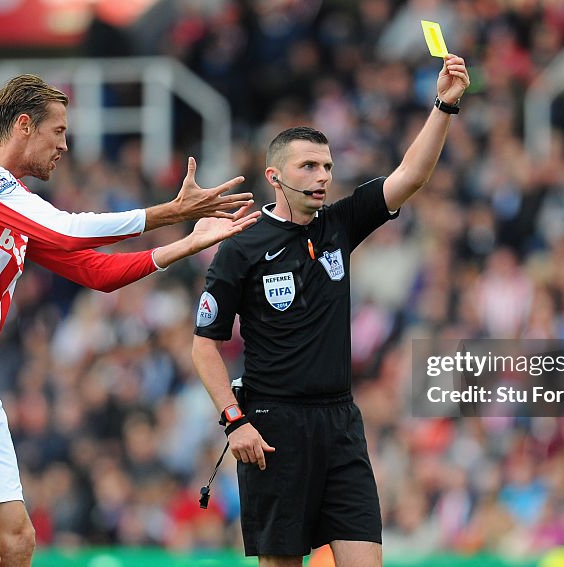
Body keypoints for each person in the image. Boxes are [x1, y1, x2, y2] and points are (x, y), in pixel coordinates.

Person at [0, 74, 258, 567]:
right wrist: (171, 211)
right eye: (57, 131)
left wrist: (186, 243)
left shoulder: (7, 204)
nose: (64, 143)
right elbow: (69, 230)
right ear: (24, 126)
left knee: (17, 546)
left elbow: (95, 272)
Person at [192, 54, 470, 566]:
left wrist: (444, 105)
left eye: (327, 167)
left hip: (341, 422)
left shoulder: (338, 224)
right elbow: (204, 344)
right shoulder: (242, 246)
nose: (323, 177)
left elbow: (410, 175)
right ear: (276, 176)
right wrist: (235, 422)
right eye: (309, 167)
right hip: (274, 426)